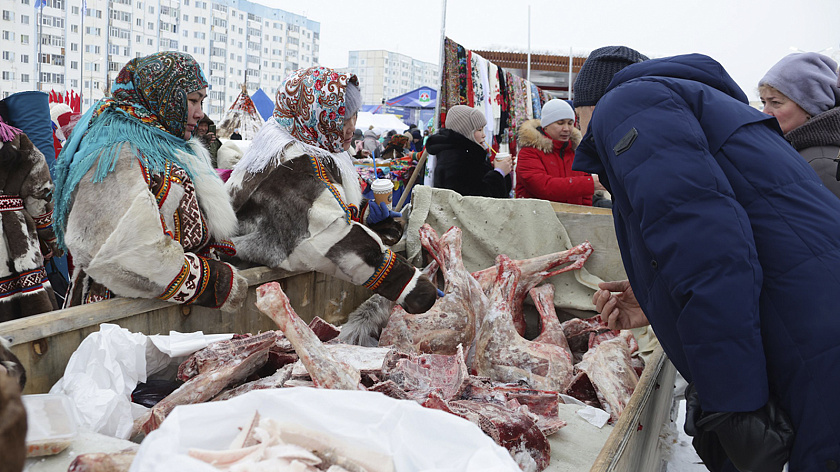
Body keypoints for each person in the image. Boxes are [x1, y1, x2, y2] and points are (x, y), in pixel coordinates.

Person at [572, 45, 840, 472]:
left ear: (588, 106)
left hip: (815, 352)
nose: (575, 133)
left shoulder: (627, 103)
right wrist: (654, 299)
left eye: (575, 118)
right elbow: (723, 232)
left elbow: (712, 258)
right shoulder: (689, 107)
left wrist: (733, 407)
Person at [226, 66, 437, 315]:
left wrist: (365, 215)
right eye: (340, 118)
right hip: (249, 298)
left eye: (353, 115)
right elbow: (328, 237)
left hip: (265, 287)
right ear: (314, 116)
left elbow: (325, 207)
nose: (351, 126)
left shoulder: (310, 146)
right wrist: (408, 285)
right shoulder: (291, 165)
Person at [53, 51, 246, 311]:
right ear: (162, 96)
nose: (200, 113)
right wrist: (214, 282)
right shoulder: (116, 151)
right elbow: (122, 251)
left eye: (202, 101)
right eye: (192, 100)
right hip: (122, 319)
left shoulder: (172, 145)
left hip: (168, 315)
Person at [0, 117, 61, 321]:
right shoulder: (18, 141)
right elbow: (39, 195)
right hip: (17, 239)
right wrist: (51, 239)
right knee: (29, 314)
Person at [759, 52, 840, 199]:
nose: (765, 112)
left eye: (775, 102)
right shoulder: (802, 154)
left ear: (810, 107)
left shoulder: (820, 163)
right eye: (764, 102)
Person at [514, 99, 602, 205]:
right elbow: (543, 187)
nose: (566, 128)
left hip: (573, 219)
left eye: (570, 123)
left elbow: (585, 197)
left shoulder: (576, 152)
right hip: (536, 219)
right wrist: (589, 184)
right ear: (546, 125)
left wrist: (585, 214)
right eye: (560, 123)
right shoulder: (529, 152)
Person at [426, 105, 512, 198]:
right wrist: (499, 172)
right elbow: (475, 201)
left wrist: (500, 170)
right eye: (479, 130)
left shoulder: (470, 154)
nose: (484, 135)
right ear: (466, 131)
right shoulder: (456, 159)